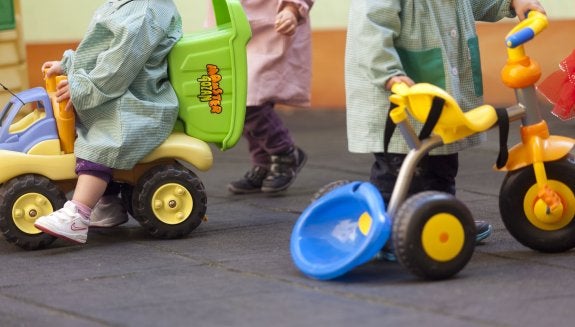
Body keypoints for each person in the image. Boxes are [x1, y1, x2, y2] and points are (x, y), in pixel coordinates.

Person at [344, 0, 547, 246]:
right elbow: (370, 28)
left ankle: (444, 215)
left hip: (439, 93)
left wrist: (512, 2)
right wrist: (389, 74)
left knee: (442, 164)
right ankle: (388, 229)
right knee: (399, 169)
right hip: (400, 96)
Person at [33, 0, 183, 244]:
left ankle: (78, 214)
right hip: (118, 90)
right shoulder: (125, 4)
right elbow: (99, 48)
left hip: (137, 100)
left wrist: (85, 86)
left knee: (105, 138)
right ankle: (108, 202)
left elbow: (119, 64)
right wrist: (69, 64)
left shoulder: (145, 11)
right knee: (87, 124)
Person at [225, 0, 314, 194]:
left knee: (250, 98)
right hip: (235, 28)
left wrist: (293, 9)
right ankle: (264, 163)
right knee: (238, 102)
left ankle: (284, 152)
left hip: (273, 27)